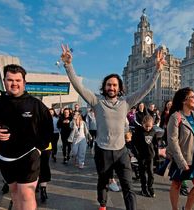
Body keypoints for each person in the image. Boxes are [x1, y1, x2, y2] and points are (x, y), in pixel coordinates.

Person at [61, 44, 165, 210]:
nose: (111, 87)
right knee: (103, 182)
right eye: (109, 85)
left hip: (121, 151)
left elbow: (145, 89)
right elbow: (78, 87)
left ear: (119, 88)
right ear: (105, 87)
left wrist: (157, 70)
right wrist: (68, 65)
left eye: (115, 85)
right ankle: (102, 205)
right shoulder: (97, 102)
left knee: (128, 186)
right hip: (102, 151)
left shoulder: (126, 102)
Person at [0, 64, 54, 210]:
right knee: (15, 192)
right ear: (4, 81)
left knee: (27, 194)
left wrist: (38, 148)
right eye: (10, 80)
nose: (14, 83)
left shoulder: (35, 104)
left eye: (18, 80)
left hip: (29, 156)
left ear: (24, 82)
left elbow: (48, 129)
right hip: (4, 157)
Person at [133, 115, 158, 197]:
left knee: (151, 173)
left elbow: (155, 144)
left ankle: (150, 187)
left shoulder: (153, 131)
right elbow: (134, 144)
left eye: (149, 126)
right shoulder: (139, 131)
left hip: (150, 156)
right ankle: (143, 188)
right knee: (142, 173)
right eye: (146, 126)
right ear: (142, 124)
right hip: (141, 156)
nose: (147, 128)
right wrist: (136, 154)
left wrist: (156, 155)